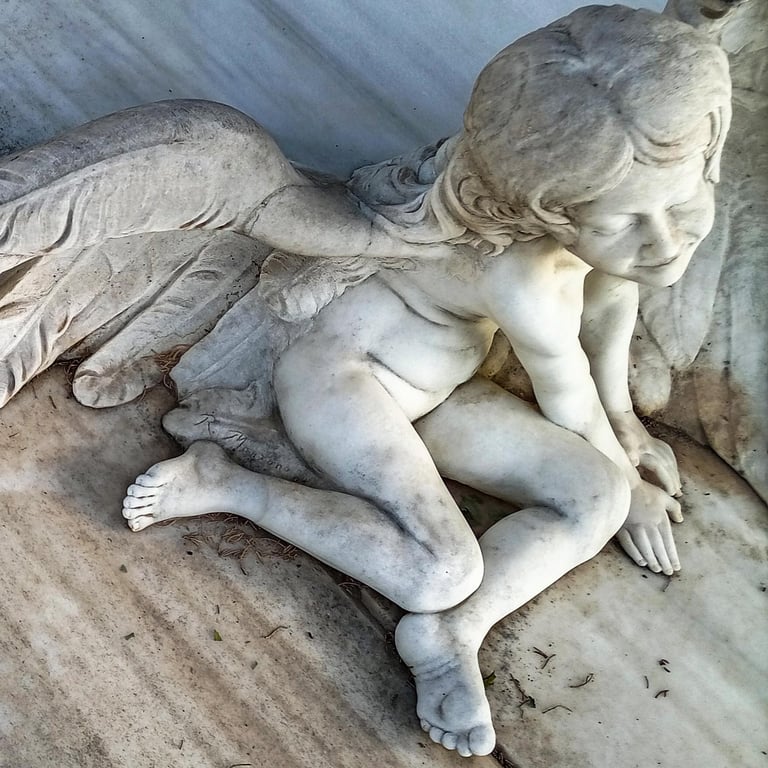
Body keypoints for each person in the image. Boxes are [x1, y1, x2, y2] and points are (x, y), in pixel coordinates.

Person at [119, 6, 731, 759]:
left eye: (678, 206)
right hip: (349, 381)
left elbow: (610, 307)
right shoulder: (523, 274)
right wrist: (633, 483)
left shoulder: (593, 235)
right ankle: (228, 485)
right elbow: (566, 394)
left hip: (440, 387)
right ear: (549, 210)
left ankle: (451, 634)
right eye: (624, 224)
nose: (663, 244)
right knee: (442, 568)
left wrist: (627, 432)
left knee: (592, 497)